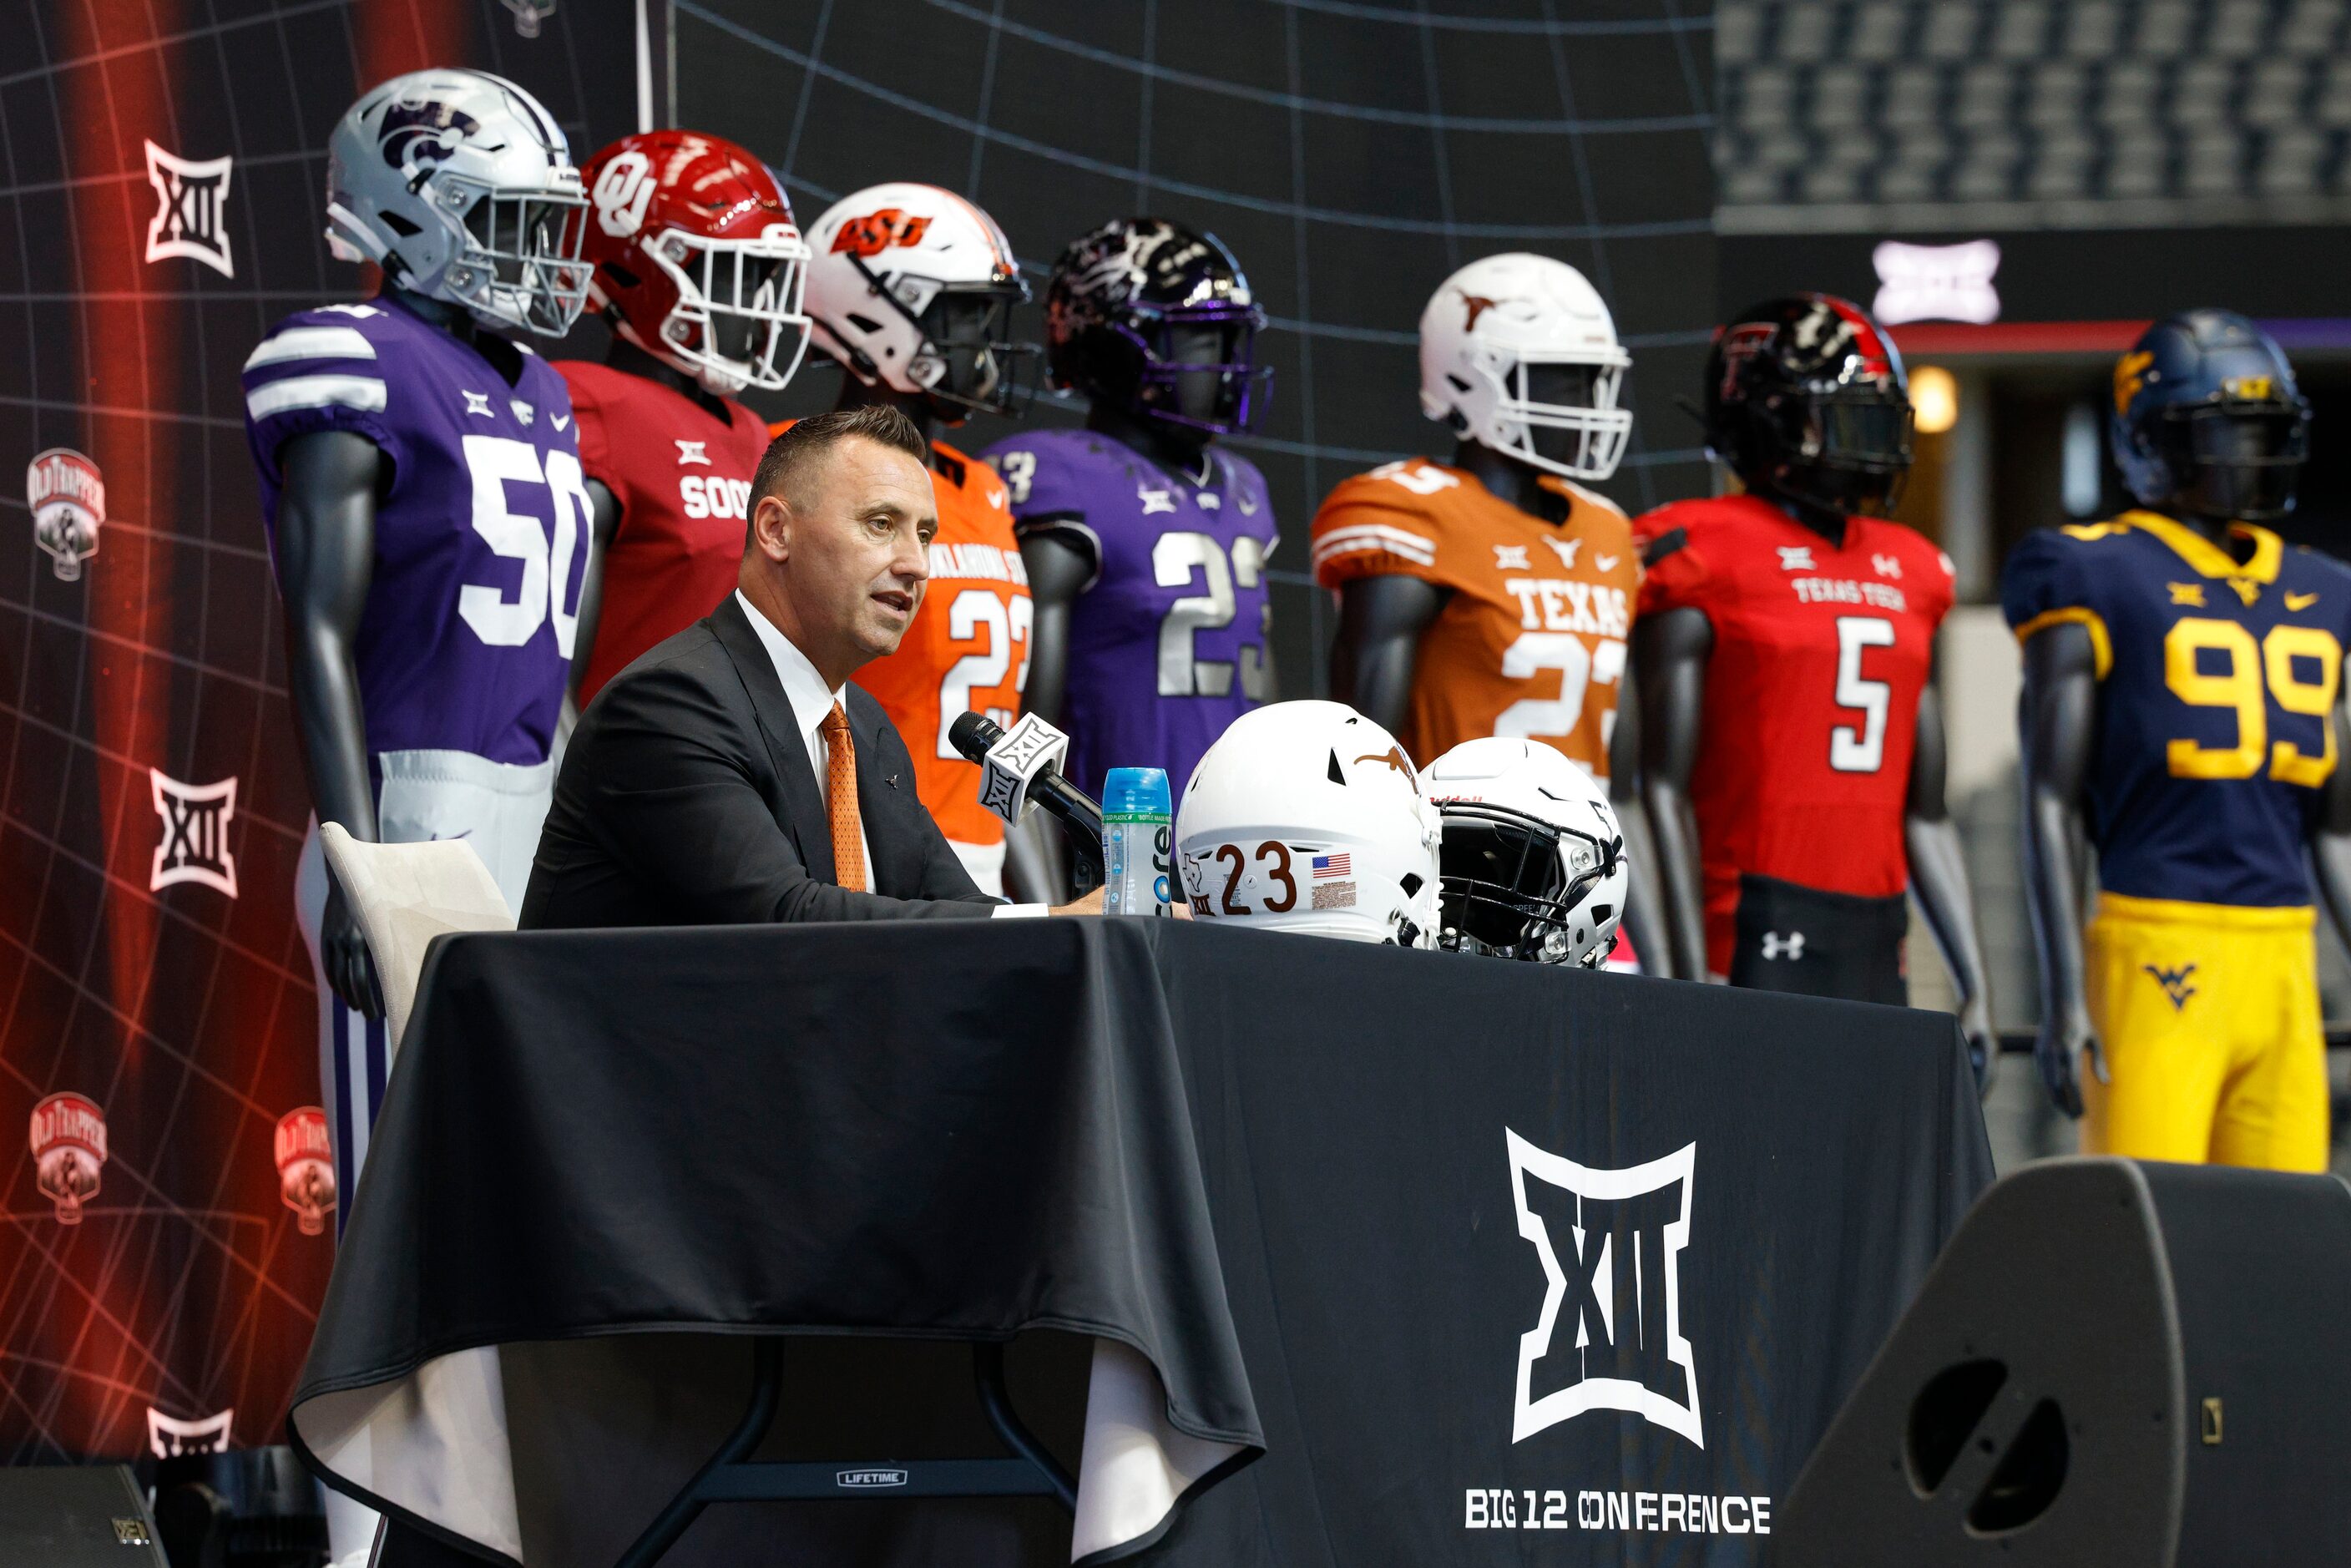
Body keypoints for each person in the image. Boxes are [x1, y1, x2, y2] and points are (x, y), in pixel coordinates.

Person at [240, 65, 595, 1568]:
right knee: (401, 1205)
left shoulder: (545, 381)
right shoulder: (347, 355)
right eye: (506, 220)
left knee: (522, 1196)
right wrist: (356, 847)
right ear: (405, 209)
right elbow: (318, 624)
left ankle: (498, 1518)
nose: (539, 252)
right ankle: (370, 1539)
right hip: (413, 802)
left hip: (527, 802)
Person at [521, 404, 1104, 927]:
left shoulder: (863, 728)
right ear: (776, 530)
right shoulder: (668, 707)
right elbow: (789, 921)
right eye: (881, 524)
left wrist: (1071, 926)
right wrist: (1060, 921)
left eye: (924, 535)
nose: (918, 565)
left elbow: (951, 902)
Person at [2005, 309, 2346, 1169]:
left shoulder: (2321, 588)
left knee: (2283, 1243)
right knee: (2145, 1232)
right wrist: (2059, 994)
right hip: (2155, 942)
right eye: (2226, 432)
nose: (2248, 455)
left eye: (2261, 432)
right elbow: (2047, 801)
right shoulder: (2091, 569)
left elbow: (2333, 827)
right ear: (2152, 443)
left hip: (2284, 954)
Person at [1631, 295, 1998, 1088]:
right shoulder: (1704, 549)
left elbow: (1926, 809)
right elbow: (1655, 789)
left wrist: (1977, 982)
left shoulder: (1913, 568)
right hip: (1748, 922)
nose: (1871, 443)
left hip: (1875, 926)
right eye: (1848, 417)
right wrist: (1688, 968)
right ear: (1771, 419)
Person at [1309, 253, 1657, 969]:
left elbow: (1622, 787)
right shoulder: (1414, 513)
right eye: (1558, 380)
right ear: (1470, 375)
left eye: (1591, 380)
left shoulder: (1609, 532)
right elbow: (1355, 757)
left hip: (1591, 898)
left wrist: (1666, 952)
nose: (1583, 402)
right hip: (1463, 893)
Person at [796, 182, 1045, 898]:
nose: (986, 346)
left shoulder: (986, 489)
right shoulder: (798, 468)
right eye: (964, 318)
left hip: (980, 851)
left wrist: (1033, 880)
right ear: (874, 309)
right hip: (861, 850)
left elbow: (1004, 719)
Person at [982, 218, 1277, 809]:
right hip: (1112, 847)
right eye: (1197, 342)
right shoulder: (1061, 474)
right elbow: (1022, 719)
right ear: (1113, 346)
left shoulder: (1245, 487)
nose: (1221, 366)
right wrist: (1038, 843)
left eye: (1224, 343)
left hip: (1238, 832)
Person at [557, 129, 812, 714]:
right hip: (619, 773)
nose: (753, 303)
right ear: (635, 271)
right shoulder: (593, 405)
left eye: (761, 277)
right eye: (730, 272)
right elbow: (550, 669)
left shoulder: (750, 432)